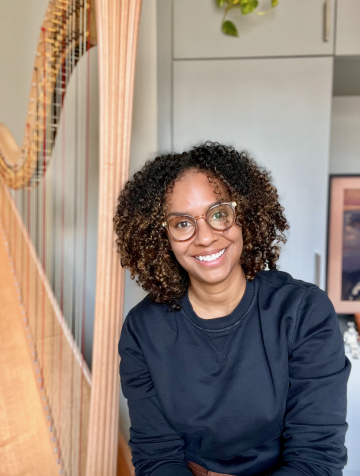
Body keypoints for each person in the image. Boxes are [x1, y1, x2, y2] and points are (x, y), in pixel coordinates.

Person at [115, 142, 351, 476]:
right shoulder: (143, 330)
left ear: (244, 216)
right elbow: (158, 459)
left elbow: (316, 459)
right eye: (182, 223)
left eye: (219, 214)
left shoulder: (303, 312)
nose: (206, 237)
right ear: (160, 236)